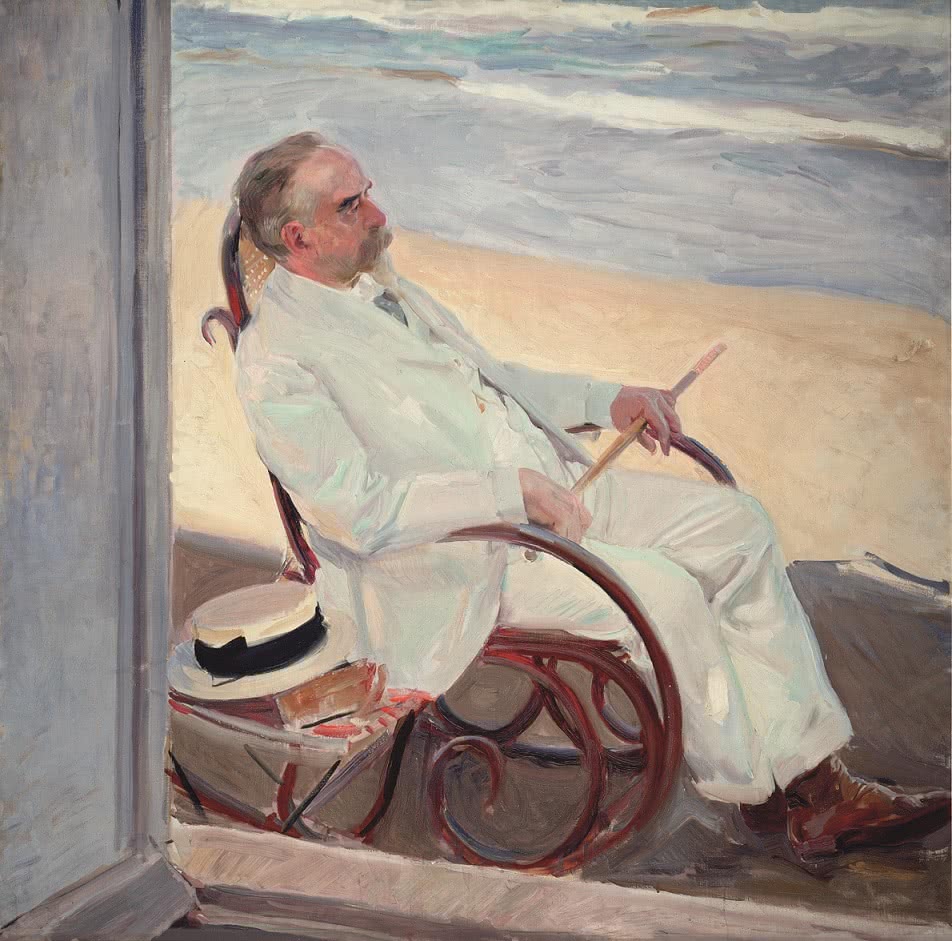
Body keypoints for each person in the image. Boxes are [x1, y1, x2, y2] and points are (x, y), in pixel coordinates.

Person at [230, 131, 949, 863]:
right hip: (460, 560)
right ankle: (762, 792)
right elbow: (356, 510)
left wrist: (607, 400)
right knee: (667, 592)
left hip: (548, 497)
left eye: (368, 193)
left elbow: (493, 381)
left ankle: (812, 779)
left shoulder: (379, 288)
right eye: (352, 205)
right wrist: (509, 492)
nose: (378, 214)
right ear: (299, 237)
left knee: (738, 525)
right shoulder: (276, 356)